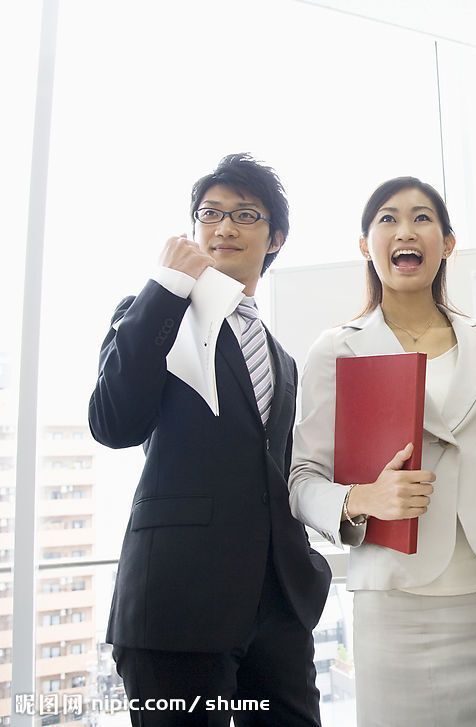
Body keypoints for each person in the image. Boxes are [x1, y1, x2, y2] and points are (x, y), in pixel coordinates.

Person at [288, 176, 476, 726]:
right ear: (365, 245)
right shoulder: (337, 348)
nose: (406, 230)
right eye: (388, 218)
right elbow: (302, 479)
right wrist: (362, 498)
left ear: (448, 243)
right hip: (395, 587)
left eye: (423, 217)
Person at [89, 153, 332, 726]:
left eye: (245, 215)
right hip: (179, 604)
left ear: (275, 238)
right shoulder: (152, 313)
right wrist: (166, 287)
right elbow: (113, 422)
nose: (224, 227)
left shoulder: (283, 357)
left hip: (278, 606)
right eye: (210, 213)